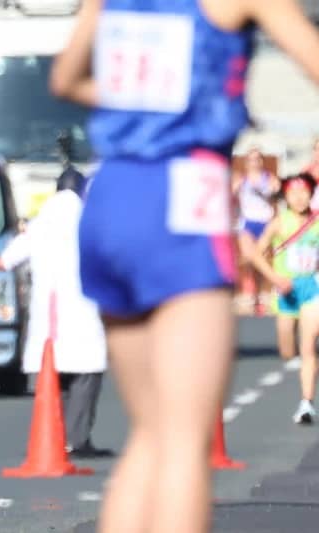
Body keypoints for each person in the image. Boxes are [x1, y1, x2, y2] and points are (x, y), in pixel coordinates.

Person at [51, 1, 319, 532]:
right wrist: (192, 108)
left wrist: (145, 105)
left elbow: (65, 78)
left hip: (112, 192)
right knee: (184, 441)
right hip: (184, 192)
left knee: (150, 433)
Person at [0, 166, 112, 458]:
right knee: (85, 376)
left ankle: (54, 437)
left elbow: (5, 261)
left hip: (49, 313)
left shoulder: (40, 224)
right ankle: (77, 439)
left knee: (55, 378)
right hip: (84, 311)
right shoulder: (91, 221)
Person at [244, 173, 319, 424]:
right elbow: (255, 253)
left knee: (308, 347)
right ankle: (296, 365)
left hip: (311, 288)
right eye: (294, 193)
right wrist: (274, 278)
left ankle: (306, 402)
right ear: (286, 196)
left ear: (311, 194)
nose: (300, 197)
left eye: (304, 192)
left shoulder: (317, 221)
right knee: (288, 350)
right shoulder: (279, 223)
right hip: (286, 289)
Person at [232, 147, 279, 314]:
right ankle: (249, 294)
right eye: (251, 159)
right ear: (246, 162)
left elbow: (277, 194)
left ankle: (265, 295)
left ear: (261, 161)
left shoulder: (270, 178)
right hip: (248, 223)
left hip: (265, 223)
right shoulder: (241, 179)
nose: (254, 162)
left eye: (258, 159)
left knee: (263, 259)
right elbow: (231, 196)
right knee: (248, 258)